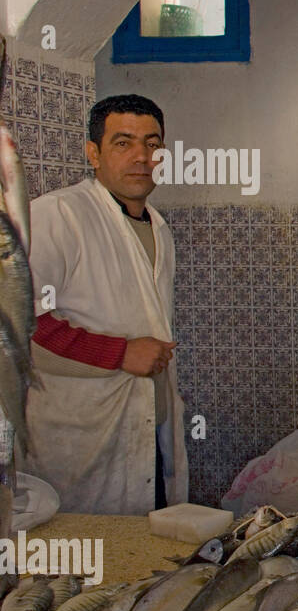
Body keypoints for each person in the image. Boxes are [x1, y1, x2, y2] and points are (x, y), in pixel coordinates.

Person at [26, 94, 187, 514]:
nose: (141, 156)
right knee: (80, 568)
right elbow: (16, 323)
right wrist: (120, 353)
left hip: (145, 429)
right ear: (93, 154)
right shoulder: (57, 215)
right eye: (124, 143)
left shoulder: (159, 228)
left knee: (141, 559)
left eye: (152, 144)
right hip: (79, 439)